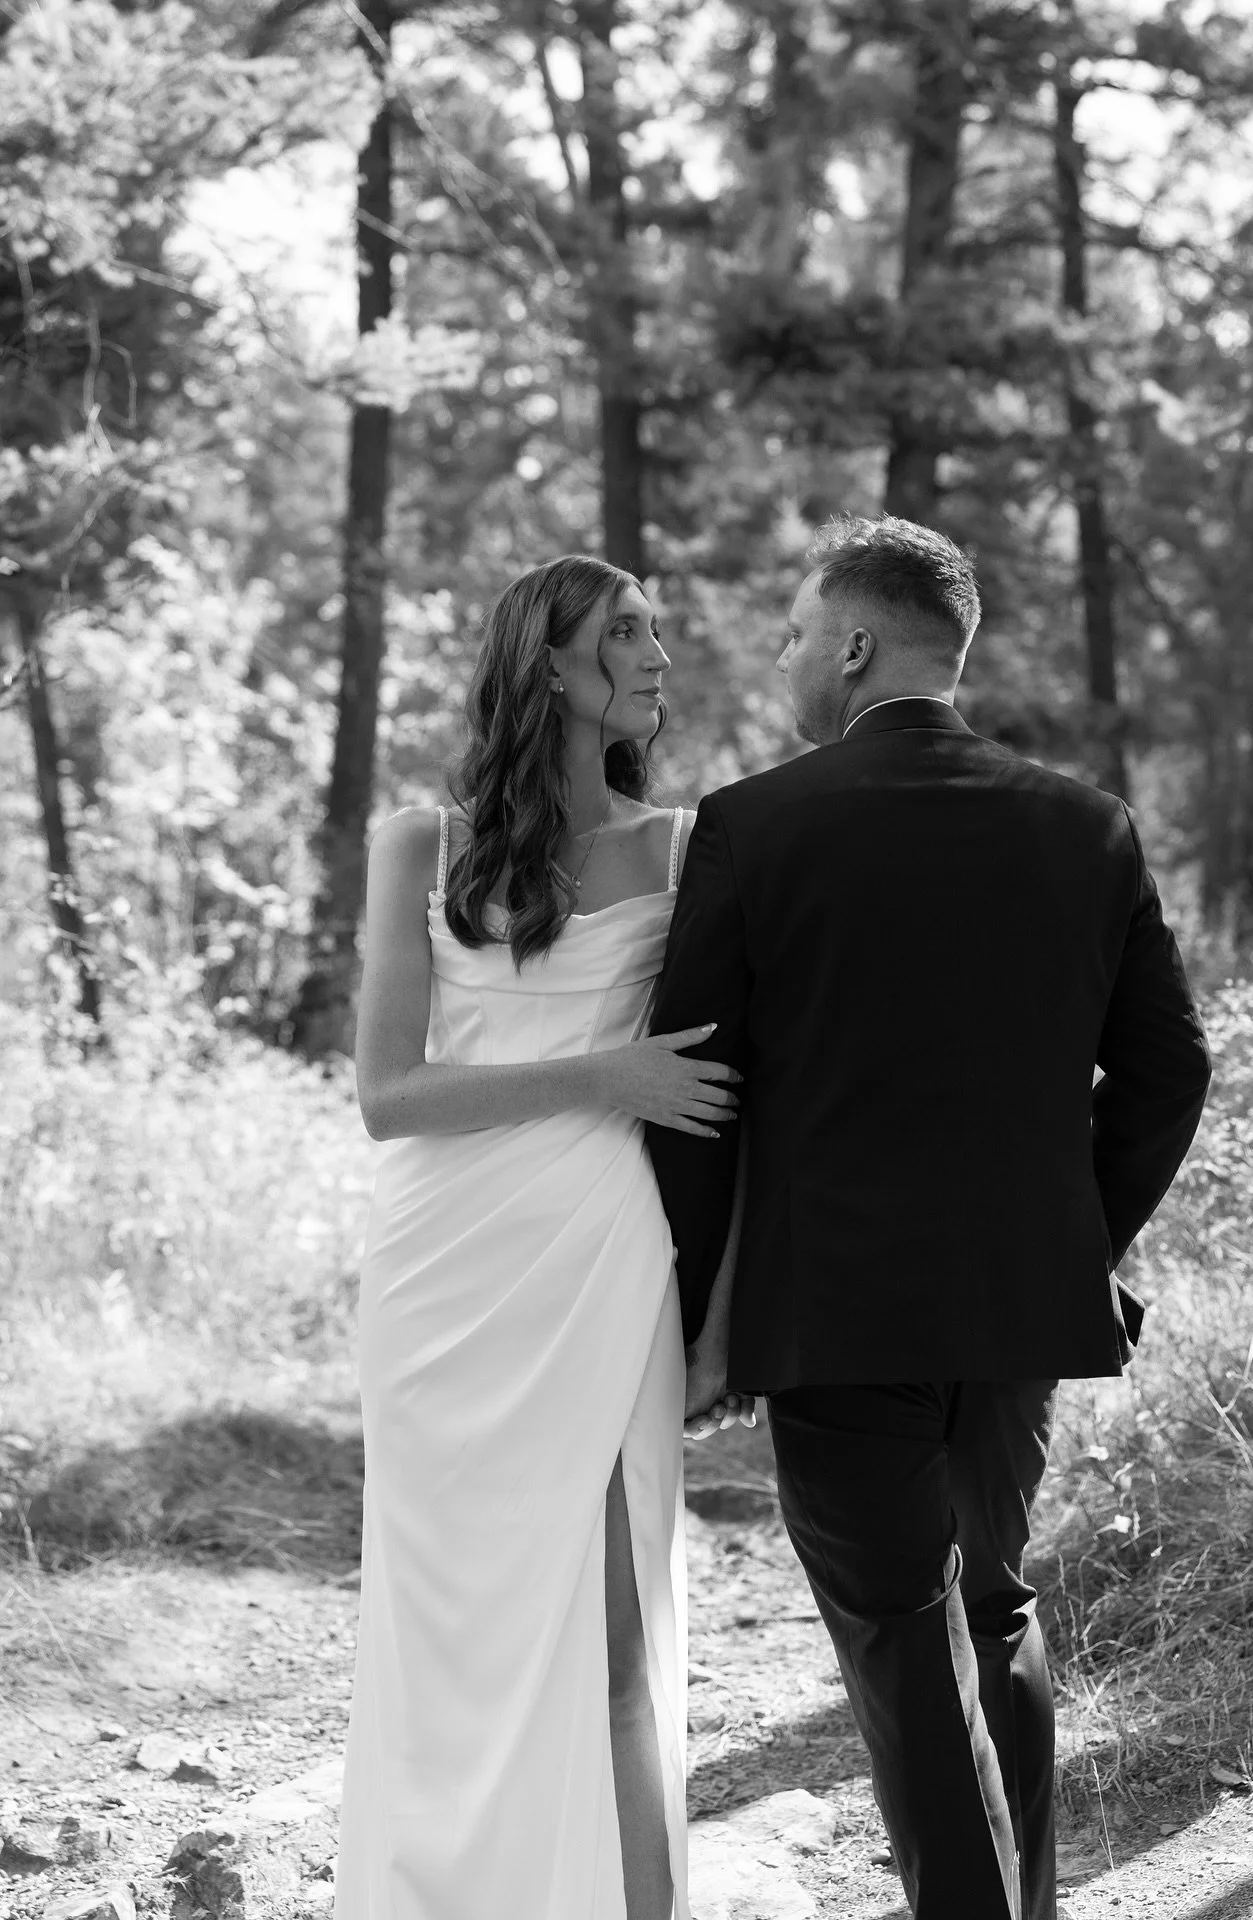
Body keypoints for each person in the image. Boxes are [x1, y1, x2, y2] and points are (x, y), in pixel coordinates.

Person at [646, 514, 1212, 1920]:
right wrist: (1069, 1237)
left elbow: (695, 1093)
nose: (784, 655)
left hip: (829, 1308)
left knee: (906, 1632)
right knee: (992, 1606)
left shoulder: (753, 826)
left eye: (792, 630)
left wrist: (694, 1312)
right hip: (1018, 1303)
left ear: (853, 642)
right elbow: (1170, 1067)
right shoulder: (1085, 823)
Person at [334, 554, 749, 1920]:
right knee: (447, 1618)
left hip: (604, 1253)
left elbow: (751, 1098)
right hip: (443, 1267)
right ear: (551, 667)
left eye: (654, 632)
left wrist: (724, 1317)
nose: (657, 655)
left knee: (620, 1622)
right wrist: (599, 1077)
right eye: (625, 632)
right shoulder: (420, 844)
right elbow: (390, 1096)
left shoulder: (687, 851)